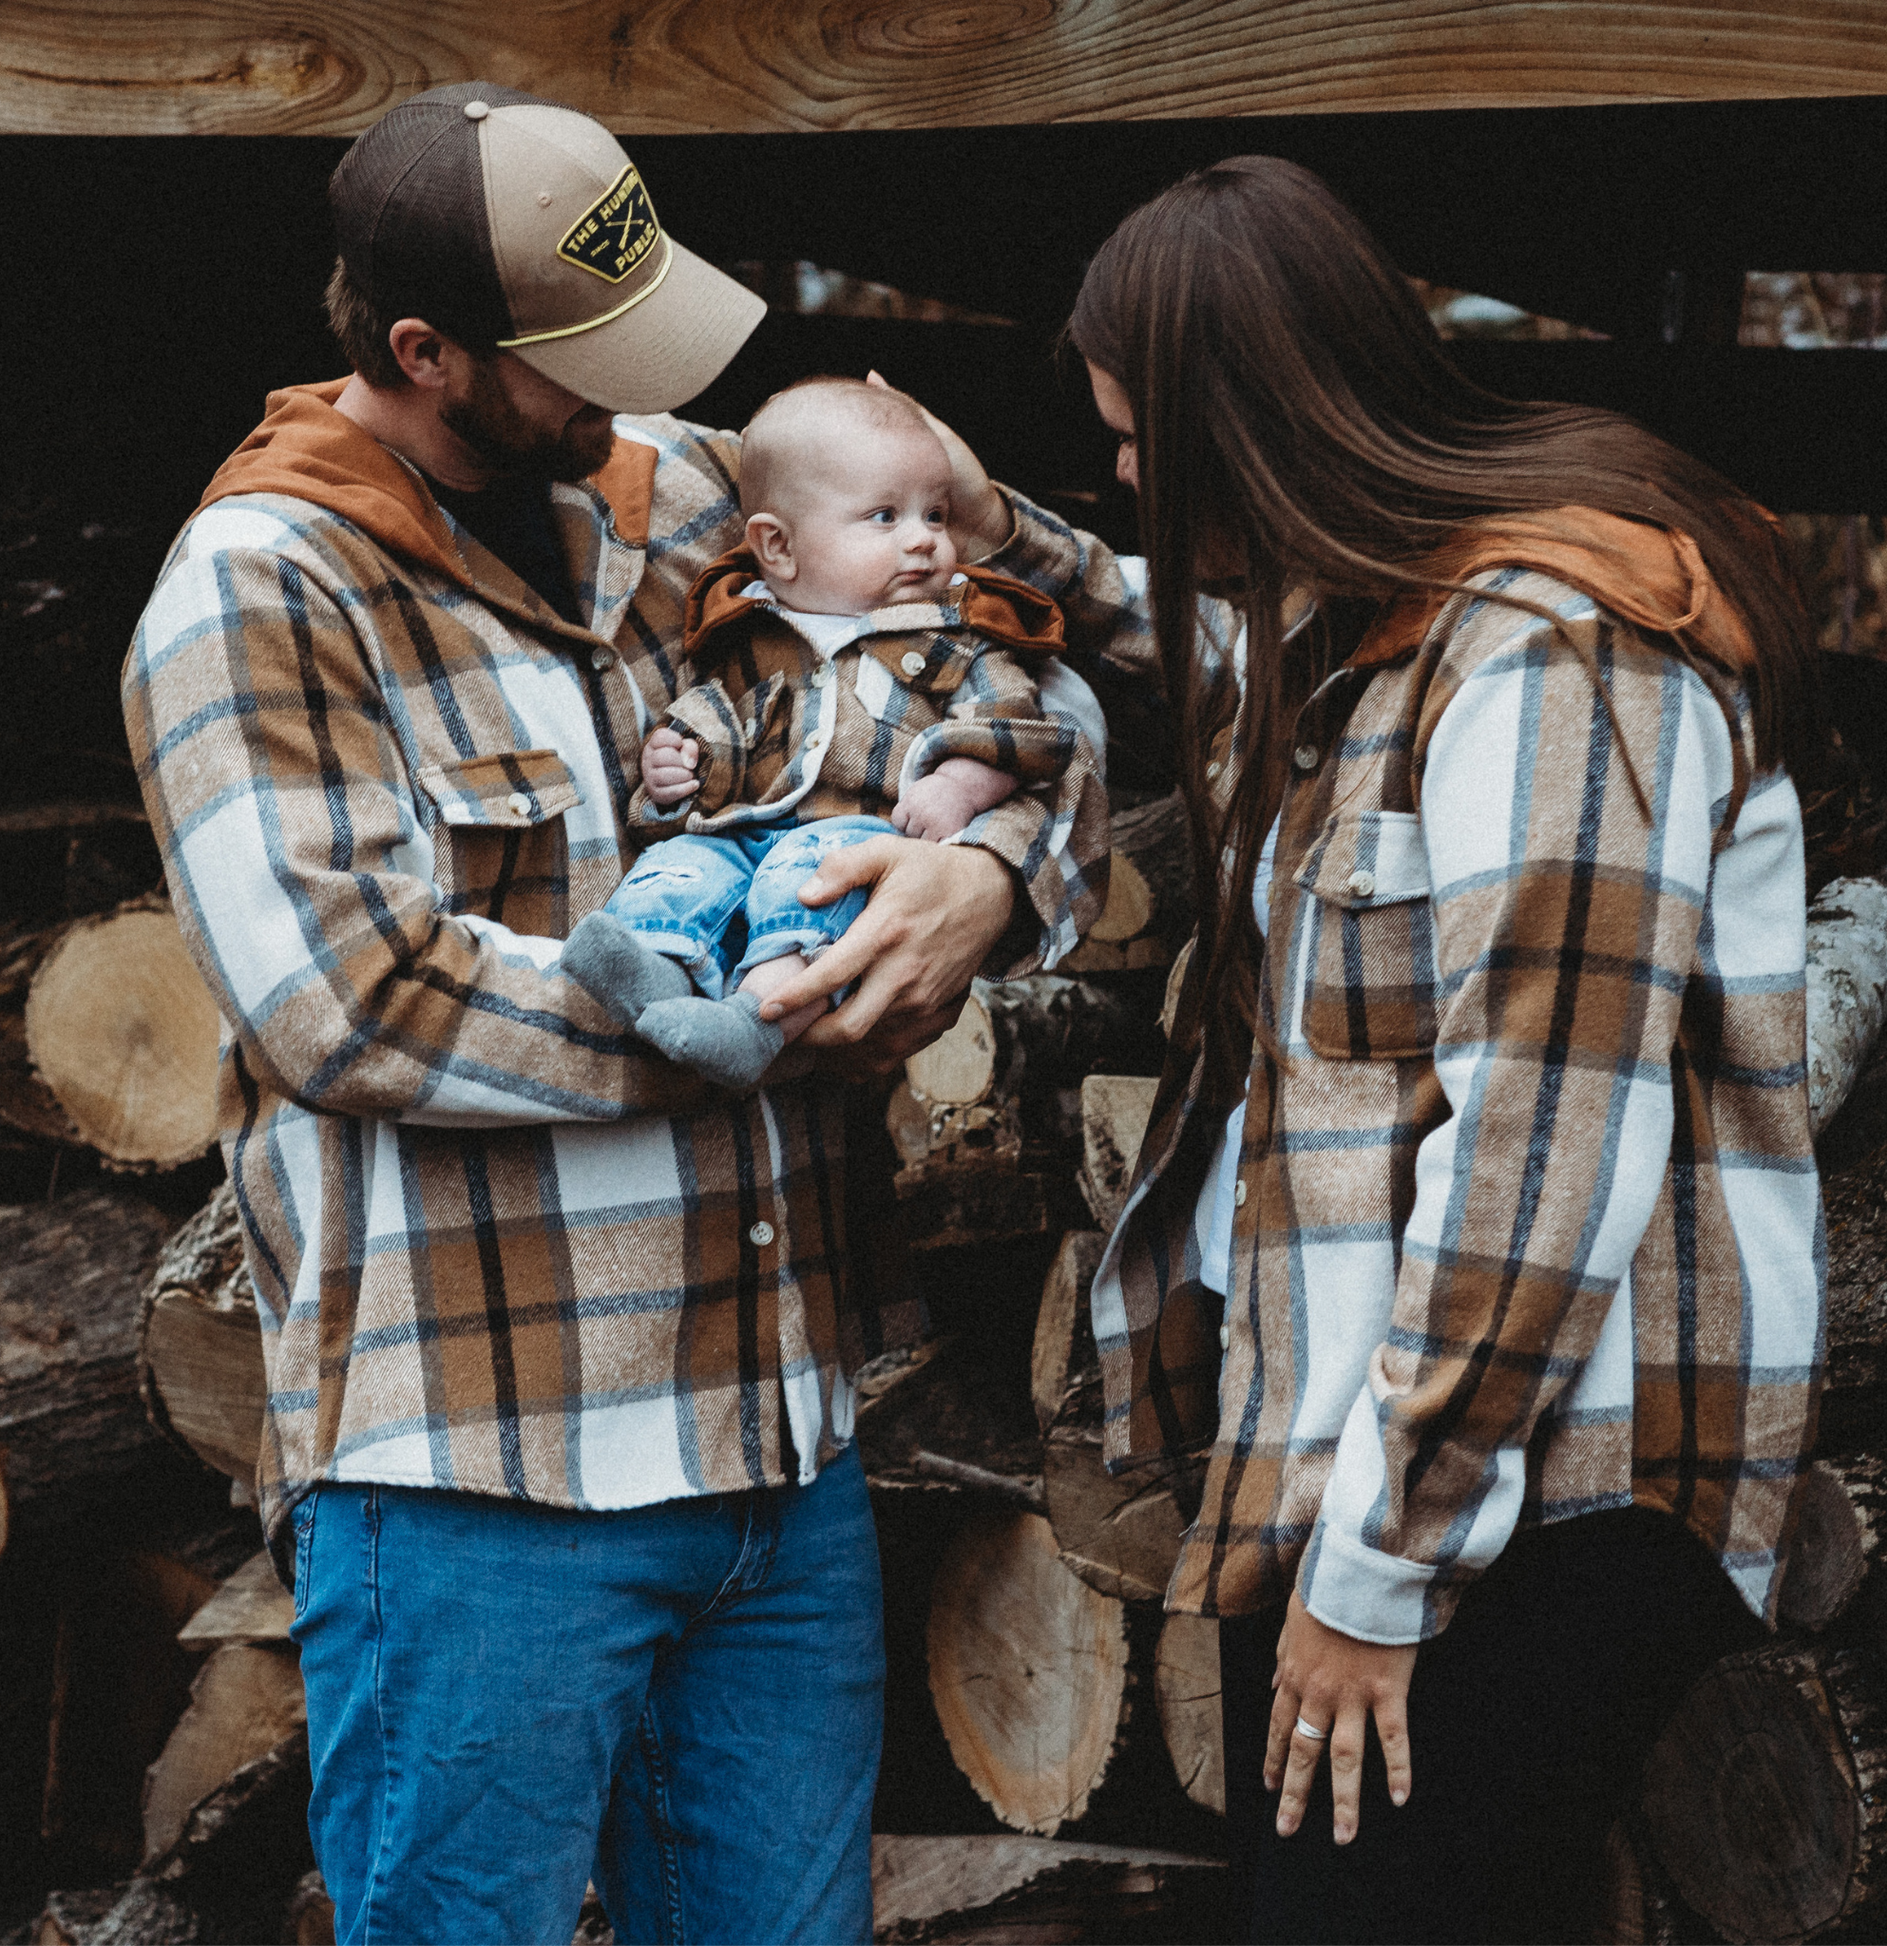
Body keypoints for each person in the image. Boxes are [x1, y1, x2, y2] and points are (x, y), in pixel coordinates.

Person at [122, 82, 1139, 1945]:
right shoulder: (256, 594)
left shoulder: (673, 488)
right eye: (577, 358)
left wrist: (990, 880)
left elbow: (1030, 654)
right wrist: (777, 1010)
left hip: (774, 1448)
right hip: (479, 1483)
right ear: (426, 351)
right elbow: (352, 1004)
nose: (631, 399)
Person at [1070, 156, 1824, 1944]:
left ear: (1240, 440)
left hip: (1536, 1504)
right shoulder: (1387, 642)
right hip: (1415, 1476)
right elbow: (1175, 625)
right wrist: (956, 522)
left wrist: (1382, 1564)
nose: (1114, 484)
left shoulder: (1555, 663)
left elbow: (1540, 1151)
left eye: (1129, 445)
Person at [598, 375, 1105, 1088]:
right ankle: (648, 963)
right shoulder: (748, 633)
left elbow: (1020, 731)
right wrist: (676, 760)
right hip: (741, 825)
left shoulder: (955, 637)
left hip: (862, 837)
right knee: (684, 868)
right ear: (777, 547)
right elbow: (714, 713)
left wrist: (962, 786)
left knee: (806, 880)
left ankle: (759, 1017)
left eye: (936, 515)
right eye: (884, 517)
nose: (924, 541)